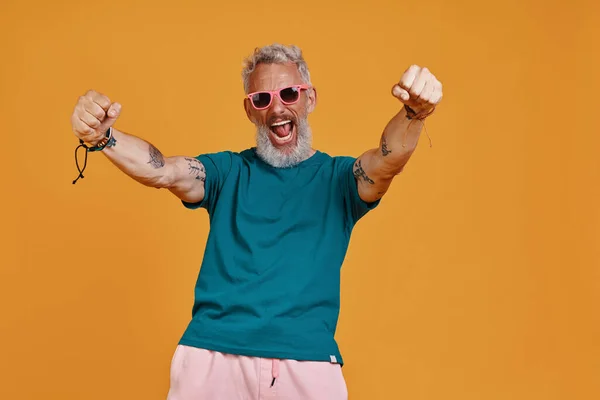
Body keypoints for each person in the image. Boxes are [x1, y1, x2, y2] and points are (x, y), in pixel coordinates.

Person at [70, 43, 443, 399]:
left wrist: (414, 113)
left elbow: (386, 161)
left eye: (289, 94)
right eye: (261, 99)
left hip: (307, 362)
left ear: (309, 98)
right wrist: (105, 137)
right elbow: (163, 171)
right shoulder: (227, 171)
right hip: (212, 356)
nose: (277, 109)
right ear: (250, 111)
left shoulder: (340, 180)